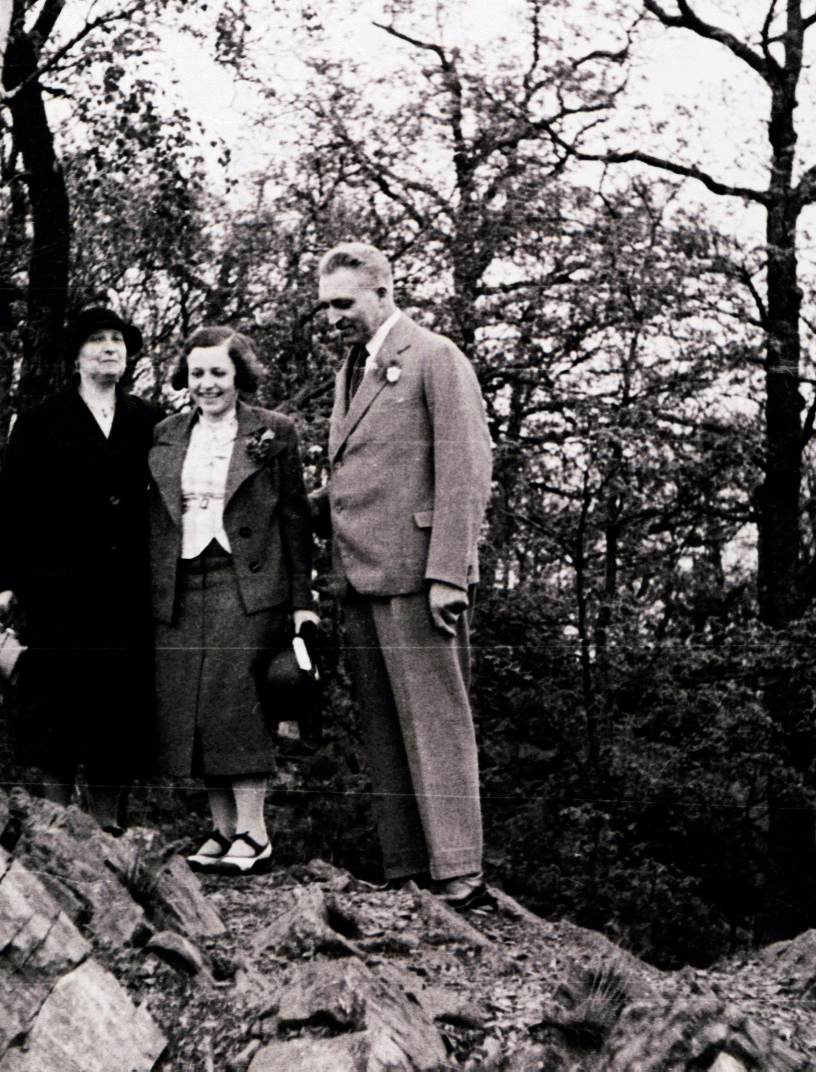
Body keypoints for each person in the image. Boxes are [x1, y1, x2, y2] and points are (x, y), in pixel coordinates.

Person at [312, 242, 494, 909]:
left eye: (344, 303)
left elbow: (466, 469)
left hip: (419, 577)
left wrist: (449, 572)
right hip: (357, 576)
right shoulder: (350, 370)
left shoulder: (436, 358)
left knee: (435, 724)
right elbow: (357, 476)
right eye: (325, 305)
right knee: (384, 730)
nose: (331, 317)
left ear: (383, 292)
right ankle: (407, 871)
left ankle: (460, 876)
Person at [149, 327, 318, 874]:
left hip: (248, 585)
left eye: (218, 372)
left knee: (236, 703)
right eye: (197, 373)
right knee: (192, 707)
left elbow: (295, 519)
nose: (206, 384)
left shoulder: (274, 432)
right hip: (180, 585)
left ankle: (255, 832)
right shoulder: (166, 433)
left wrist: (302, 601)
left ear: (239, 374)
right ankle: (222, 830)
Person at [0, 304, 161, 830]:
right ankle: (54, 826)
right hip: (56, 588)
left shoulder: (152, 421)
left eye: (118, 340)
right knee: (55, 708)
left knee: (117, 711)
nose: (110, 348)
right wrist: (3, 583)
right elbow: (9, 506)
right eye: (97, 340)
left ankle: (107, 828)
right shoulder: (41, 421)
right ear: (76, 356)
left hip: (128, 589)